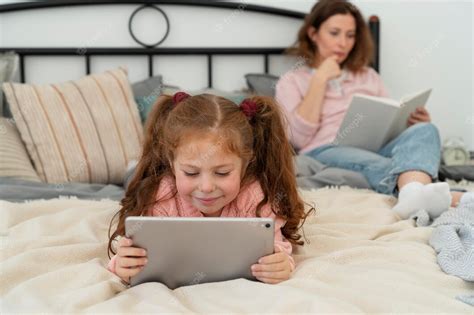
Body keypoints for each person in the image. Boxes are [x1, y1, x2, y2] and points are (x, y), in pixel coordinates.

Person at [275, 0, 473, 219]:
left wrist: (411, 122)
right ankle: (455, 198)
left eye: (350, 35)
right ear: (313, 34)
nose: (343, 43)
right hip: (326, 147)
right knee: (392, 165)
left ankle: (414, 195)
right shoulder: (292, 80)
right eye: (334, 33)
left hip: (375, 145)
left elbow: (388, 120)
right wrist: (319, 79)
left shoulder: (368, 76)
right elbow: (299, 139)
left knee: (427, 130)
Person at [107, 92, 312, 285]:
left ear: (247, 163)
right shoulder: (159, 197)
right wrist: (122, 264)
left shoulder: (258, 198)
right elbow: (133, 253)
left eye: (222, 173)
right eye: (191, 173)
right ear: (171, 163)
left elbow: (279, 247)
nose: (206, 188)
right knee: (133, 177)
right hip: (155, 182)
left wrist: (281, 263)